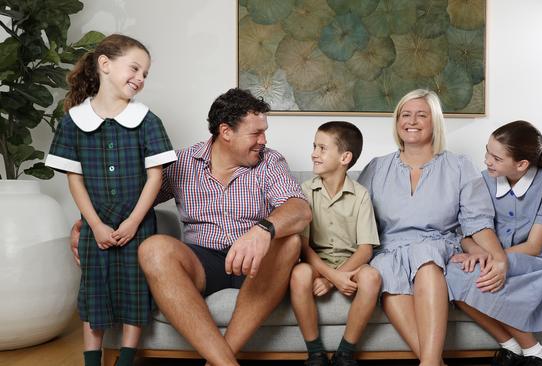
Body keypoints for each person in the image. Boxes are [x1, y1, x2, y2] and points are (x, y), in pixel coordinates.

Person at [71, 87, 311, 366]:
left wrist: (262, 230)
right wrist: (88, 224)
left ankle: (217, 362)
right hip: (202, 260)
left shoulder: (270, 161)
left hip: (255, 264)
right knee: (154, 249)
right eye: (256, 133)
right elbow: (131, 201)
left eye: (264, 132)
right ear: (226, 131)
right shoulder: (182, 162)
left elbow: (300, 209)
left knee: (290, 243)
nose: (263, 140)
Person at [46, 34, 177, 366]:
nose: (140, 78)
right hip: (96, 226)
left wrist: (133, 222)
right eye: (135, 68)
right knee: (95, 294)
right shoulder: (73, 122)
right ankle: (92, 361)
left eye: (145, 74)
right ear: (105, 64)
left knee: (135, 291)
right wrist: (95, 225)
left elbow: (156, 177)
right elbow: (74, 180)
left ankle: (126, 359)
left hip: (139, 224)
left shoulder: (147, 120)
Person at [357, 89, 507, 366]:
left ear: (435, 122)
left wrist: (499, 259)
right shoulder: (377, 168)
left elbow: (477, 222)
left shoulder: (460, 166)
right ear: (397, 121)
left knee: (425, 262)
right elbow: (355, 221)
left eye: (421, 115)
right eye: (406, 114)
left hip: (437, 248)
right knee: (388, 271)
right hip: (390, 252)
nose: (412, 121)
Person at [446, 121, 542, 366]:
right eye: (486, 151)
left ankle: (535, 352)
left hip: (526, 257)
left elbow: (533, 246)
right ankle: (510, 346)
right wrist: (476, 253)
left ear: (521, 164)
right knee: (453, 273)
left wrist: (494, 258)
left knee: (481, 275)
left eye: (496, 158)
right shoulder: (481, 181)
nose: (487, 161)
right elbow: (465, 232)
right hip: (488, 255)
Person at [291, 121, 382, 366]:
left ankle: (345, 353)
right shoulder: (305, 192)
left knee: (372, 278)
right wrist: (328, 274)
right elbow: (303, 247)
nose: (314, 153)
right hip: (315, 261)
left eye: (322, 148)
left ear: (345, 157)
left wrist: (333, 279)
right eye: (314, 146)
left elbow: (365, 249)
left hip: (350, 262)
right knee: (299, 274)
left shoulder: (361, 195)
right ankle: (316, 353)